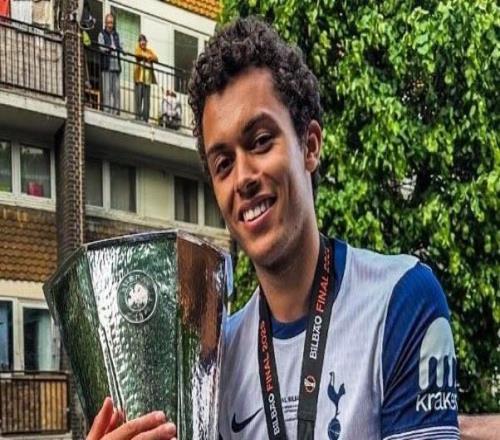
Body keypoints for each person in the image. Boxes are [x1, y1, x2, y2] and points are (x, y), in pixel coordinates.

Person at [88, 16, 496, 440]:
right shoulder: (214, 364)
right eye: (223, 163)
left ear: (310, 145)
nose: (243, 177)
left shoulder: (400, 299)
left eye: (261, 141)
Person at [98, 13, 122, 114]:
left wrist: (119, 49)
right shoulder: (102, 34)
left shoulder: (116, 35)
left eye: (111, 23)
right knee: (107, 89)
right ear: (105, 23)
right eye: (108, 23)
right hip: (107, 65)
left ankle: (116, 111)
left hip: (116, 66)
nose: (110, 25)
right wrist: (109, 48)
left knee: (116, 90)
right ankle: (107, 111)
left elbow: (121, 47)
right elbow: (101, 47)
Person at [134, 34, 158, 122]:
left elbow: (156, 58)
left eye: (144, 41)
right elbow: (137, 55)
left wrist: (150, 57)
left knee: (147, 100)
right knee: (138, 99)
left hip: (148, 79)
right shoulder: (138, 49)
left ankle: (145, 118)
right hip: (139, 78)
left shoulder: (149, 51)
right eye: (141, 41)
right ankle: (138, 117)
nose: (143, 43)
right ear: (139, 43)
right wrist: (146, 57)